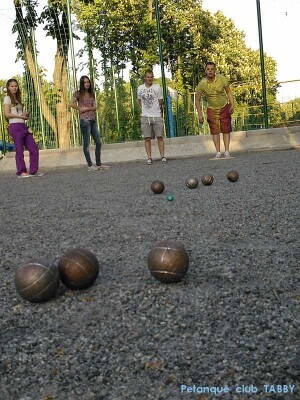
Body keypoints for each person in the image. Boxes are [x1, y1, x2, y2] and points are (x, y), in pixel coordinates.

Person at [3, 79, 43, 178]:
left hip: (23, 126)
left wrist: (25, 115)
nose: (14, 88)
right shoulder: (7, 98)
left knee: (34, 148)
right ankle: (21, 172)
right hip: (15, 127)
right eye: (12, 86)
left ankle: (33, 171)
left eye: (16, 86)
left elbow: (20, 114)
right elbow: (7, 114)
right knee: (19, 150)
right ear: (8, 87)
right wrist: (21, 117)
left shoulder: (18, 99)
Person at [195, 62, 234, 159]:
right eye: (208, 69)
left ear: (215, 70)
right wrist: (200, 115)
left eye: (212, 69)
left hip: (224, 106)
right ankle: (218, 152)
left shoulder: (222, 79)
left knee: (226, 129)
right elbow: (197, 100)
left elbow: (228, 92)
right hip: (212, 109)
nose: (210, 71)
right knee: (215, 131)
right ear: (205, 71)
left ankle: (227, 151)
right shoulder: (202, 83)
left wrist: (232, 104)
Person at [71, 76, 108, 171]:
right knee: (86, 144)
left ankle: (99, 164)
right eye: (85, 82)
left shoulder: (92, 93)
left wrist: (86, 108)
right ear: (82, 84)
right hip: (84, 121)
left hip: (93, 120)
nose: (87, 84)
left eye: (88, 82)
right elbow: (71, 103)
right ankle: (90, 165)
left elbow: (95, 107)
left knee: (98, 142)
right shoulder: (78, 93)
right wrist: (80, 109)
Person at [137, 70, 167, 165]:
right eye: (148, 77)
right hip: (145, 116)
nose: (150, 78)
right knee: (147, 138)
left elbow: (161, 101)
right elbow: (139, 101)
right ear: (145, 78)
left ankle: (162, 156)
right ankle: (149, 157)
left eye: (151, 77)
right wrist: (145, 109)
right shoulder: (140, 88)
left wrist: (156, 109)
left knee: (160, 137)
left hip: (157, 115)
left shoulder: (157, 87)